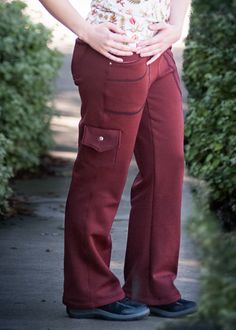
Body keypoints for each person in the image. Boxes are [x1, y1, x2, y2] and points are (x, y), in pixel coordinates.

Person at [39, 0, 197, 321]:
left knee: (167, 167)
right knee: (102, 176)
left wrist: (176, 25)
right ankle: (89, 292)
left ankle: (152, 285)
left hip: (158, 54)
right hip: (113, 54)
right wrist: (84, 30)